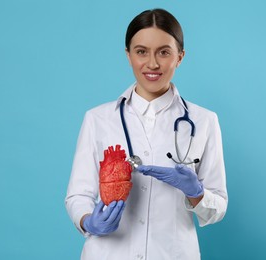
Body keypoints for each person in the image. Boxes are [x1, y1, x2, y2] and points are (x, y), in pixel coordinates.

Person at [65, 8, 228, 260]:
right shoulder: (97, 119)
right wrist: (88, 221)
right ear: (128, 55)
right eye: (141, 52)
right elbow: (78, 195)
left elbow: (218, 208)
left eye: (164, 52)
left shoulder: (204, 121)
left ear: (180, 57)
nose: (152, 64)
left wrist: (196, 193)